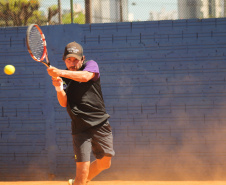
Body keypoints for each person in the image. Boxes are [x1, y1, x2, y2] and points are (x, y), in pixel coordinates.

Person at [47, 41, 115, 185]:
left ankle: (82, 180)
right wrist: (59, 88)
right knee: (82, 171)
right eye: (69, 59)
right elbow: (63, 102)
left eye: (76, 59)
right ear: (64, 59)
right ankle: (80, 181)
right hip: (80, 127)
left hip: (100, 123)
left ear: (82, 59)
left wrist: (59, 72)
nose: (72, 63)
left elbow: (84, 77)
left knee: (105, 162)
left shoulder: (91, 65)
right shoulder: (64, 78)